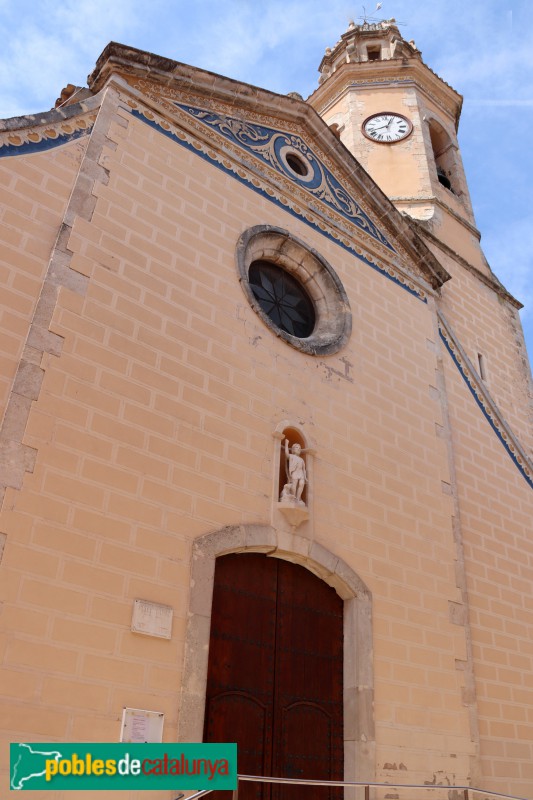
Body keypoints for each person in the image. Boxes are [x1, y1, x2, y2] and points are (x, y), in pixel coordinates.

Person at [283, 439, 307, 505]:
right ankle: (293, 497)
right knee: (294, 484)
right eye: (297, 447)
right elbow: (286, 454)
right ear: (293, 449)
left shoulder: (301, 459)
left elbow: (304, 469)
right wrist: (286, 444)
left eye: (300, 448)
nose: (299, 449)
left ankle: (298, 498)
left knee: (301, 484)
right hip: (294, 472)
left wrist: (305, 477)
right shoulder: (292, 456)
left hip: (301, 473)